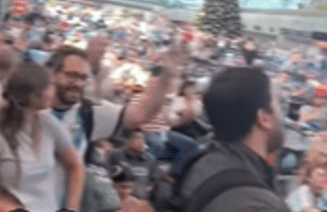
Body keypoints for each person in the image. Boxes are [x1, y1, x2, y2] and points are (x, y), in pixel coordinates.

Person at [46, 46, 172, 204]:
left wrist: (167, 76)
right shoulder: (27, 111)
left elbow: (140, 116)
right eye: (71, 75)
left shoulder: (88, 114)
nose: (78, 83)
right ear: (52, 74)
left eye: (83, 78)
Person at [0, 62, 85, 212]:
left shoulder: (48, 122)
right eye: (49, 86)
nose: (54, 89)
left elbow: (75, 166)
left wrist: (71, 208)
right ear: (33, 96)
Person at [178, 67, 288, 212]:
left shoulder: (197, 163)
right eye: (277, 104)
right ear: (264, 119)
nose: (282, 117)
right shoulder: (261, 204)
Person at [108, 128, 156, 200]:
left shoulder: (150, 159)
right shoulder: (115, 155)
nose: (140, 141)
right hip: (118, 197)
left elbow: (152, 181)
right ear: (128, 141)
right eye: (137, 138)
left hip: (139, 199)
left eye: (142, 139)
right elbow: (107, 175)